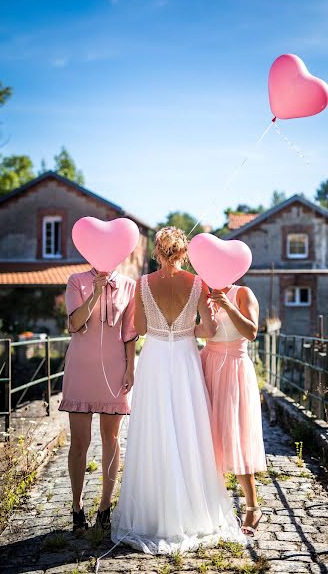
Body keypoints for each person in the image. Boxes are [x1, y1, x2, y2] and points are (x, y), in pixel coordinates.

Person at [111, 227, 245, 553]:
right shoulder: (197, 283)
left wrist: (163, 326)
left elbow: (140, 329)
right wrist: (194, 325)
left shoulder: (143, 284)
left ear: (158, 251)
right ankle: (192, 508)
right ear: (184, 252)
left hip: (155, 358)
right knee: (188, 425)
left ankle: (155, 512)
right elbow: (209, 329)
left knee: (155, 427)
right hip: (185, 355)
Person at [59, 267, 137, 532]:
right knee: (79, 442)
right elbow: (74, 324)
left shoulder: (129, 284)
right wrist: (94, 294)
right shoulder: (76, 281)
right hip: (81, 367)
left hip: (115, 369)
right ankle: (76, 506)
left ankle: (105, 506)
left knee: (111, 439)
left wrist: (130, 369)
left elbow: (129, 332)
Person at [197, 284, 267, 537]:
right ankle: (212, 504)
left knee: (235, 436)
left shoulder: (243, 293)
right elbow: (205, 330)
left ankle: (252, 506)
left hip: (234, 368)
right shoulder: (203, 292)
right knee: (206, 435)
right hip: (207, 363)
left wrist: (227, 304)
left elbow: (252, 332)